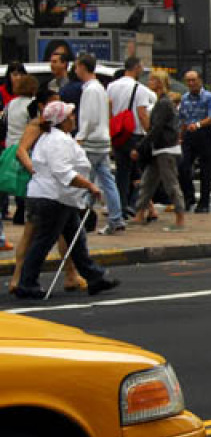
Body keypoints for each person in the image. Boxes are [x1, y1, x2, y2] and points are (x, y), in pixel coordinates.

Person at [13, 101, 120, 300]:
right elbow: (63, 172)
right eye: (70, 115)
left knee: (76, 239)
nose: (74, 117)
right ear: (61, 120)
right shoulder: (56, 141)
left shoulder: (58, 138)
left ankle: (95, 277)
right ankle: (27, 283)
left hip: (60, 197)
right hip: (52, 197)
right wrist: (89, 185)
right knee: (44, 241)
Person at [9, 85, 89, 292]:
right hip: (44, 187)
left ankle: (70, 274)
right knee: (33, 234)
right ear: (43, 106)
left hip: (55, 189)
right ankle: (18, 277)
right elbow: (21, 151)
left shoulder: (56, 129)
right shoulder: (38, 126)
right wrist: (34, 170)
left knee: (64, 234)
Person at [70, 53, 126, 235]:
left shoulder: (91, 90)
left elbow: (89, 117)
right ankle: (116, 218)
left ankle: (82, 218)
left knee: (85, 181)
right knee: (107, 181)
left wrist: (80, 136)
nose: (75, 70)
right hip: (101, 139)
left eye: (77, 66)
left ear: (82, 67)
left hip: (91, 141)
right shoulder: (98, 88)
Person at [132, 70, 186, 232]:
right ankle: (139, 214)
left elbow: (156, 128)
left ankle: (180, 217)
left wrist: (141, 146)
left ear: (160, 82)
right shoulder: (161, 101)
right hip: (160, 148)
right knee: (148, 181)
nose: (149, 82)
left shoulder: (164, 103)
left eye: (153, 80)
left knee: (170, 184)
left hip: (166, 149)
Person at [107, 55, 154, 219]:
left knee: (122, 171)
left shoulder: (111, 86)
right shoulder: (139, 88)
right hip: (134, 134)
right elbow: (142, 113)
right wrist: (150, 132)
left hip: (118, 133)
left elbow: (109, 110)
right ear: (136, 68)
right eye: (141, 67)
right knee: (138, 171)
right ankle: (132, 204)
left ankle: (120, 205)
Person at [175, 69, 211, 213]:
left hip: (205, 134)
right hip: (189, 135)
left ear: (200, 80)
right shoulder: (185, 98)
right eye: (188, 80)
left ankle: (204, 203)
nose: (191, 83)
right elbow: (182, 119)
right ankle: (189, 197)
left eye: (194, 80)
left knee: (206, 171)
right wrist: (180, 137)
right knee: (183, 166)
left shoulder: (208, 97)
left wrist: (198, 124)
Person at [5, 74, 38, 234]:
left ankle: (18, 211)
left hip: (10, 146)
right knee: (27, 181)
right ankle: (24, 211)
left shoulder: (11, 103)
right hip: (26, 146)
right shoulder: (32, 105)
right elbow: (34, 125)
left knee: (16, 180)